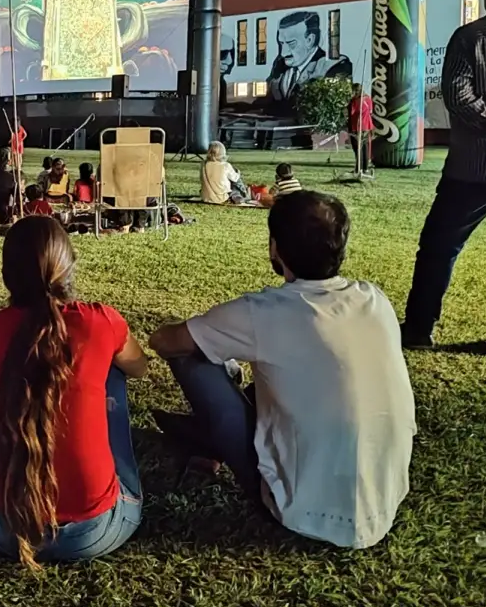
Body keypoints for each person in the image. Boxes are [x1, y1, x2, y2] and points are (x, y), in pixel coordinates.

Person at [148, 191, 416, 549]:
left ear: (275, 247)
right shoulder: (374, 299)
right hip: (382, 506)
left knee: (188, 352)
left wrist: (216, 353)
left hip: (299, 511)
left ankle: (206, 435)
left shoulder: (262, 313)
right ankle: (202, 433)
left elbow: (165, 341)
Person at [0, 216, 146, 565]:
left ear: (7, 273)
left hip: (2, 527)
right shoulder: (100, 322)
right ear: (67, 267)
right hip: (94, 530)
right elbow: (139, 367)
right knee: (113, 374)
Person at [402, 0, 486, 357]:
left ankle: (419, 328)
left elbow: (458, 97)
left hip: (476, 168)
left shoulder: (471, 37)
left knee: (439, 245)